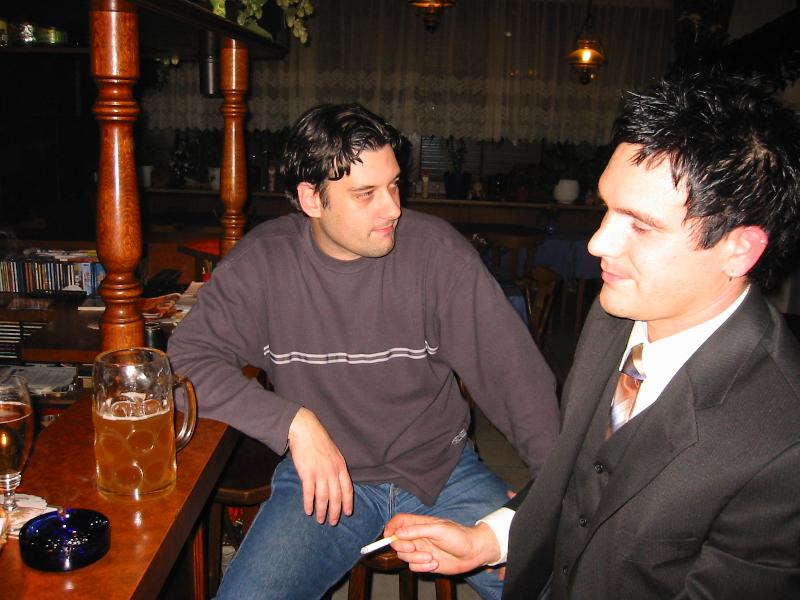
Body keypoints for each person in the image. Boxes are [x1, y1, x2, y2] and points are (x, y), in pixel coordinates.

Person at [384, 73, 800, 599]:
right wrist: (490, 540)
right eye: (607, 208)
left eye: (640, 225)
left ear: (739, 250)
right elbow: (579, 474)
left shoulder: (784, 443)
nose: (598, 243)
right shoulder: (613, 317)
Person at [167, 103, 560, 599]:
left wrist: (546, 499)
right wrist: (293, 423)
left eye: (394, 185)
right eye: (366, 193)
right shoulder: (263, 264)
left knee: (553, 582)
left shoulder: (437, 255)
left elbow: (517, 381)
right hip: (321, 482)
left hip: (441, 469)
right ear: (311, 199)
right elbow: (183, 364)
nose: (393, 208)